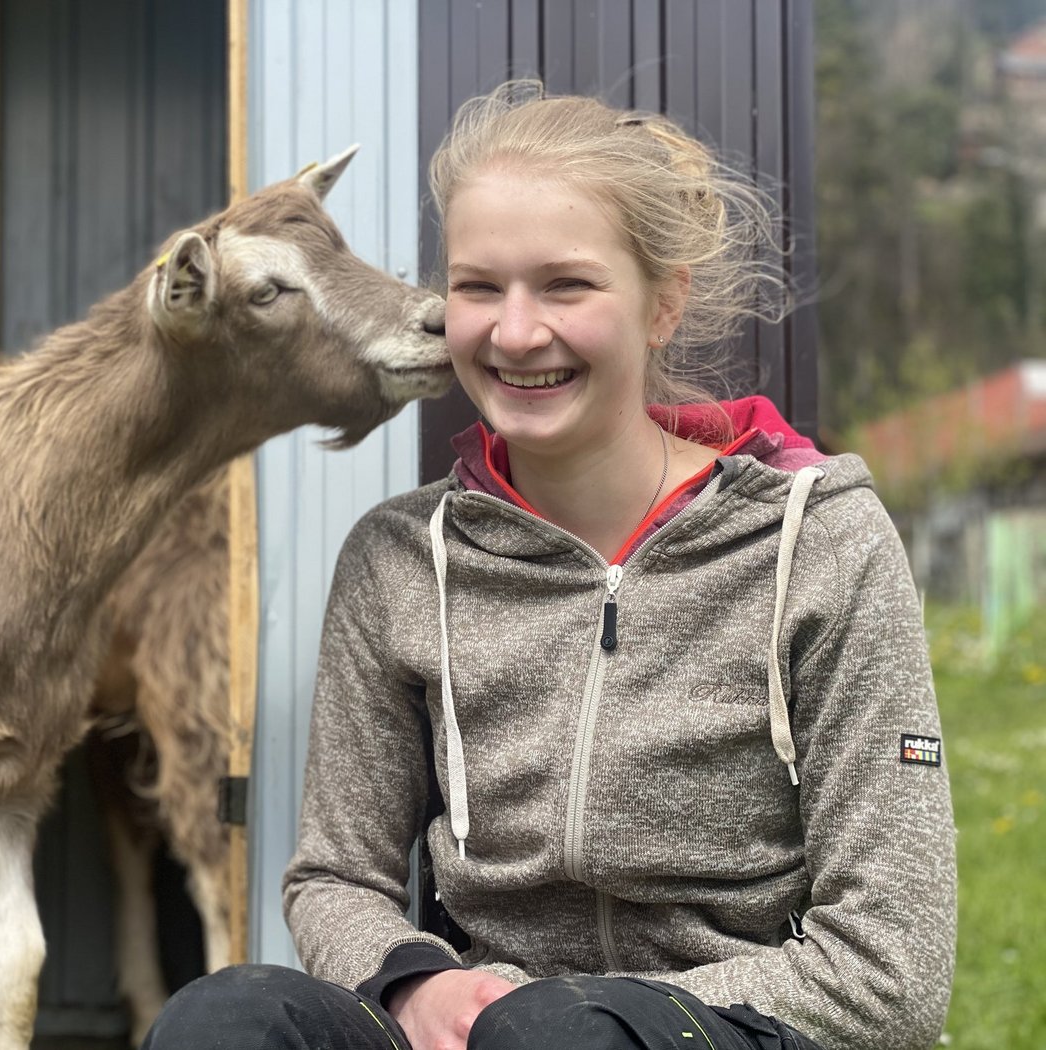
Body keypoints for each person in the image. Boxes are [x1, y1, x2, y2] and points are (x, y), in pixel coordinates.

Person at [143, 81, 955, 1050]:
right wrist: (415, 988)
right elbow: (334, 880)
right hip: (483, 1027)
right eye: (479, 288)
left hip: (727, 1029)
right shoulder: (400, 562)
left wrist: (586, 1016)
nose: (514, 333)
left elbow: (890, 968)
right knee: (221, 1023)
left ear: (662, 304)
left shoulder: (821, 546)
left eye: (565, 286)